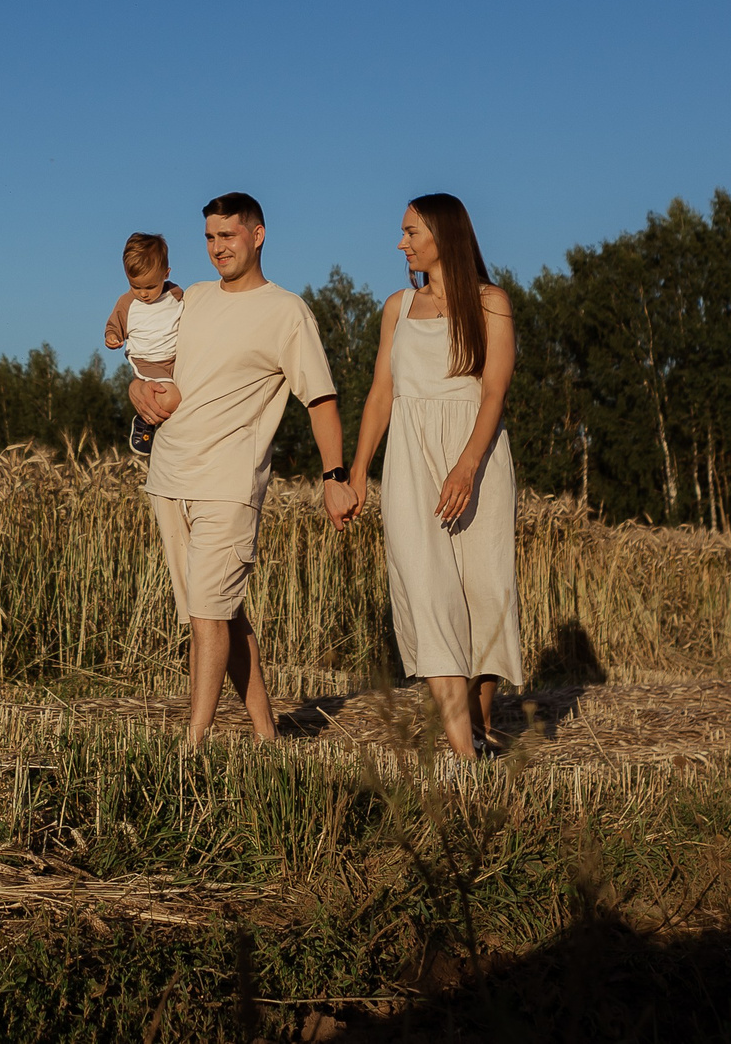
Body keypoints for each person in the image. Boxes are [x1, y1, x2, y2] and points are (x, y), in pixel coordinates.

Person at [131, 192, 344, 747]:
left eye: (227, 235)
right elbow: (154, 356)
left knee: (208, 616)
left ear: (258, 235)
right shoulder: (192, 298)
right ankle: (267, 735)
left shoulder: (286, 311)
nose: (217, 247)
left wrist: (335, 476)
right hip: (169, 476)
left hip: (228, 484)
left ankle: (193, 744)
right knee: (222, 612)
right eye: (209, 237)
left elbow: (320, 399)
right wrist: (135, 386)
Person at [330, 193, 524, 762]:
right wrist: (357, 474)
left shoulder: (491, 303)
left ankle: (480, 727)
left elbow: (494, 392)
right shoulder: (397, 307)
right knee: (427, 590)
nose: (401, 243)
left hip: (478, 460)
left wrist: (466, 465)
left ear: (444, 235)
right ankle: (466, 754)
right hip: (411, 463)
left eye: (411, 232)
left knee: (484, 595)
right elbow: (381, 395)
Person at [102, 232, 184, 455]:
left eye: (150, 286)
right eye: (135, 286)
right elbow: (114, 325)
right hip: (147, 361)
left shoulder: (175, 294)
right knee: (172, 398)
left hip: (175, 360)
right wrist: (112, 337)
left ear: (166, 274)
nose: (143, 294)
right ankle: (143, 422)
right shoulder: (128, 303)